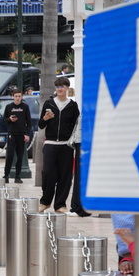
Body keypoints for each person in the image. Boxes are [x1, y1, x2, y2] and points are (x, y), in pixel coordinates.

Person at [37, 76, 80, 213]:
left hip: (66, 145)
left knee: (65, 175)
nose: (59, 89)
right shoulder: (49, 104)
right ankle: (45, 201)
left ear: (67, 88)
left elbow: (77, 125)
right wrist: (45, 118)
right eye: (57, 87)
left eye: (62, 86)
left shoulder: (72, 105)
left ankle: (60, 204)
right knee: (48, 173)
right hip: (50, 143)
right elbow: (40, 124)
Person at [2, 88, 31, 184]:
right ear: (13, 97)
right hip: (12, 133)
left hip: (21, 134)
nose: (17, 98)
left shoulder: (25, 107)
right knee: (10, 155)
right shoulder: (9, 107)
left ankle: (17, 176)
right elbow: (4, 119)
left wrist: (27, 134)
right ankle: (6, 175)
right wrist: (10, 119)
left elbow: (29, 122)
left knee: (20, 156)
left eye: (19, 96)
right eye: (16, 96)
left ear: (21, 97)